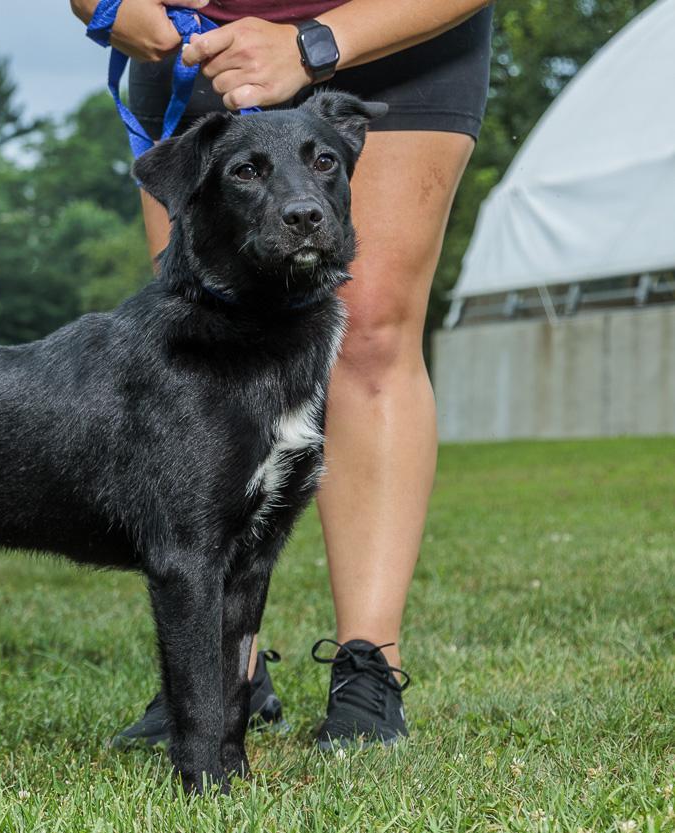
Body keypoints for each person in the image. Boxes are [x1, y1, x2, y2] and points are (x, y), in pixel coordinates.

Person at [68, 0, 492, 749]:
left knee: (369, 326)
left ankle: (368, 669)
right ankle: (223, 670)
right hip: (204, 47)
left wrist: (315, 44)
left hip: (398, 31)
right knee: (201, 333)